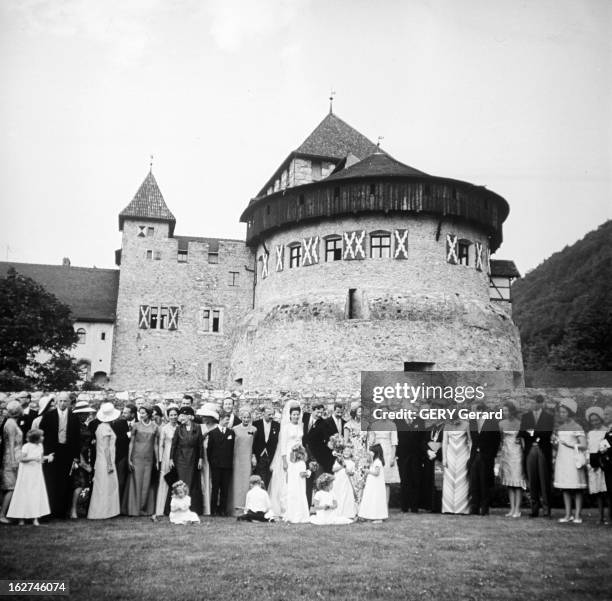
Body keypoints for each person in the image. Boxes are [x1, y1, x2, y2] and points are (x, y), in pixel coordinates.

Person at [39, 391, 81, 519]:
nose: (63, 403)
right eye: (60, 401)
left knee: (66, 481)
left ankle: (62, 511)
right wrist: (45, 453)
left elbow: (77, 438)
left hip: (67, 453)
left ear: (69, 402)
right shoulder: (48, 416)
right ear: (57, 402)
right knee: (51, 480)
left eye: (65, 401)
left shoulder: (74, 418)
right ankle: (50, 510)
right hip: (52, 452)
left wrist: (76, 456)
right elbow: (42, 435)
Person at [6, 428, 53, 525]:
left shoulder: (40, 446)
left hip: (36, 473)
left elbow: (40, 458)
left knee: (35, 493)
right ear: (36, 438)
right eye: (41, 436)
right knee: (24, 493)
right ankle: (21, 518)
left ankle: (35, 517)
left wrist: (47, 457)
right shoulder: (26, 446)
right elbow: (21, 459)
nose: (43, 437)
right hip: (26, 473)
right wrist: (33, 458)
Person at [518, 394, 554, 518]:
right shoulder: (526, 417)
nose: (532, 404)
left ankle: (546, 509)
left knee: (544, 480)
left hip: (542, 450)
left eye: (534, 402)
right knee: (532, 479)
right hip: (530, 450)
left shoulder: (548, 417)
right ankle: (534, 509)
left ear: (540, 403)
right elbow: (522, 432)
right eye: (531, 402)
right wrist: (533, 434)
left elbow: (547, 433)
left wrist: (532, 432)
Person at [553, 398, 587, 523]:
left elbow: (584, 445)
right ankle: (568, 514)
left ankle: (577, 515)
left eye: (564, 412)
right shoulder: (561, 428)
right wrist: (555, 443)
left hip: (573, 459)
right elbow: (559, 445)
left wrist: (570, 445)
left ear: (570, 413)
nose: (561, 414)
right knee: (565, 488)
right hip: (562, 459)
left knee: (576, 488)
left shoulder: (577, 427)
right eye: (560, 412)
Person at [123, 405, 159, 517]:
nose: (141, 415)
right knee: (136, 481)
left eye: (143, 413)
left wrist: (157, 460)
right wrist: (129, 458)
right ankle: (134, 509)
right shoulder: (136, 425)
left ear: (148, 414)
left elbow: (156, 445)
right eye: (140, 413)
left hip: (149, 458)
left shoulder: (155, 426)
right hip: (136, 457)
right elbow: (131, 443)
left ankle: (144, 508)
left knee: (146, 482)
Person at [268, 402, 303, 516]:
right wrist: (284, 461)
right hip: (288, 456)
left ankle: (295, 508)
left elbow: (300, 442)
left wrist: (302, 454)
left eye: (298, 414)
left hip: (298, 456)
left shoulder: (300, 426)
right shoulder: (285, 428)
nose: (296, 416)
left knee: (295, 481)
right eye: (294, 414)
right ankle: (284, 509)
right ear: (290, 415)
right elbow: (283, 445)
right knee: (286, 482)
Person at [88, 402, 120, 520]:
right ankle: (102, 512)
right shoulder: (105, 428)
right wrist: (110, 464)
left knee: (104, 486)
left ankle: (105, 511)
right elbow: (106, 447)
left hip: (102, 460)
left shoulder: (101, 427)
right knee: (105, 487)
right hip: (105, 460)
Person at [468, 403, 501, 516]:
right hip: (474, 456)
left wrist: (491, 455)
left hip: (486, 457)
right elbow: (472, 439)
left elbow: (497, 441)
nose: (474, 413)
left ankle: (484, 507)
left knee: (485, 482)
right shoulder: (472, 422)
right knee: (474, 482)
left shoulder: (492, 423)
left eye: (475, 410)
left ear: (481, 410)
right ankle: (474, 507)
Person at [170, 406, 204, 515]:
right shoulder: (178, 428)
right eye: (181, 415)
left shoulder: (197, 427)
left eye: (183, 415)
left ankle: (191, 508)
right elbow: (174, 444)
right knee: (182, 482)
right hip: (181, 459)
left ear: (190, 416)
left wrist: (200, 458)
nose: (181, 418)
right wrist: (171, 459)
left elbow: (200, 444)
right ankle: (179, 507)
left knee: (192, 483)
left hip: (193, 458)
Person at [499, 401, 526, 518]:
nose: (504, 413)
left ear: (511, 411)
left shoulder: (520, 424)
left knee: (517, 483)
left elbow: (523, 440)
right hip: (506, 454)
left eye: (506, 410)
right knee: (509, 484)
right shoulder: (501, 424)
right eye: (503, 410)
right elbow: (501, 439)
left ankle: (517, 509)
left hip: (517, 454)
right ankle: (511, 509)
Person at [70, 401, 96, 519]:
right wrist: (82, 462)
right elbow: (75, 444)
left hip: (87, 454)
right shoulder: (74, 426)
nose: (87, 415)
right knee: (78, 484)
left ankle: (80, 509)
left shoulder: (85, 425)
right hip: (78, 457)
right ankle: (73, 510)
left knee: (84, 482)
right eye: (84, 413)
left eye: (87, 413)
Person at [395, 412, 426, 513]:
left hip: (416, 456)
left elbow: (422, 439)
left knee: (415, 481)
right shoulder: (398, 421)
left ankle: (414, 506)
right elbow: (396, 439)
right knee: (404, 481)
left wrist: (422, 455)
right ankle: (404, 506)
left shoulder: (420, 421)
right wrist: (396, 454)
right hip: (402, 456)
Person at [153, 405, 179, 520]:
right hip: (166, 455)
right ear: (168, 417)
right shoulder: (164, 428)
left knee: (176, 481)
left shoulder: (180, 427)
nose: (173, 417)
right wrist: (160, 459)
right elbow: (161, 444)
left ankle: (175, 508)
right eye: (171, 415)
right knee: (165, 480)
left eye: (175, 415)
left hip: (178, 456)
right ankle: (161, 508)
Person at [229, 409, 256, 516]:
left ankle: (246, 507)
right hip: (237, 459)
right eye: (244, 417)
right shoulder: (234, 429)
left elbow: (255, 445)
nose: (246, 419)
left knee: (246, 483)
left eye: (248, 417)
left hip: (247, 459)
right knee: (236, 483)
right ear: (241, 417)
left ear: (250, 418)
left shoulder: (254, 429)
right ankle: (235, 507)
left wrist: (253, 456)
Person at [207, 412, 235, 516]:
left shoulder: (231, 433)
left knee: (225, 488)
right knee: (215, 488)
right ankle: (213, 509)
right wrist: (212, 463)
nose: (228, 422)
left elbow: (232, 449)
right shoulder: (213, 433)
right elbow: (209, 450)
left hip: (227, 465)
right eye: (226, 419)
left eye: (229, 420)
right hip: (216, 465)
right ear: (221, 419)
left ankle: (223, 510)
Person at [442, 416, 471, 515]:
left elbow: (470, 441)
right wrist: (444, 458)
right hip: (450, 455)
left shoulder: (466, 425)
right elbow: (445, 442)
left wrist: (470, 456)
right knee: (449, 481)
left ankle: (462, 509)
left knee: (462, 481)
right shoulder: (446, 426)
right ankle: (448, 508)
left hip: (463, 455)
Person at [0, 401, 24, 523]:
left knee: (11, 487)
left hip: (14, 456)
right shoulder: (10, 424)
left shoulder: (12, 423)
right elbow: (10, 443)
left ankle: (7, 513)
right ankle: (2, 514)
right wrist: (14, 461)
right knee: (11, 487)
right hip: (10, 458)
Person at [367, 418, 399, 506]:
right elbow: (371, 442)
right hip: (376, 454)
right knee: (376, 479)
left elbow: (394, 443)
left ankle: (385, 505)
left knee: (386, 482)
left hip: (387, 455)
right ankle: (376, 504)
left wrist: (392, 457)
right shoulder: (374, 425)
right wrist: (370, 455)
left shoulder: (392, 425)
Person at [343, 402, 369, 503]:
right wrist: (349, 455)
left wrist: (367, 454)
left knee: (362, 479)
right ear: (354, 412)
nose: (361, 414)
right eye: (359, 412)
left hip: (363, 455)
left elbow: (368, 441)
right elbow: (345, 442)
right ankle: (353, 504)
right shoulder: (348, 425)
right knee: (353, 478)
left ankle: (361, 505)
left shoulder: (366, 425)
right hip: (352, 454)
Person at [585, 407, 607, 523]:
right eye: (592, 420)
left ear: (601, 419)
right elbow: (589, 449)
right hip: (594, 465)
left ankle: (609, 516)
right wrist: (589, 462)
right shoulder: (590, 433)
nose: (594, 422)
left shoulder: (606, 431)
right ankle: (600, 516)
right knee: (598, 492)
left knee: (607, 491)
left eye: (596, 420)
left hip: (604, 464)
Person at [421, 403, 444, 512]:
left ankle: (438, 506)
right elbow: (423, 442)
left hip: (440, 459)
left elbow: (446, 443)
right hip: (430, 458)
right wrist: (428, 451)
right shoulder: (430, 429)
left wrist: (437, 453)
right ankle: (429, 505)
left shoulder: (445, 428)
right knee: (429, 482)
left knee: (439, 483)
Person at [198, 403, 219, 515]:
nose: (204, 418)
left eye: (206, 416)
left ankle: (212, 506)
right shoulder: (200, 427)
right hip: (203, 456)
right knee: (203, 479)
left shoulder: (217, 427)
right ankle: (204, 506)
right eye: (203, 416)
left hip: (214, 456)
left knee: (212, 480)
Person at [252, 405, 280, 489]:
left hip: (271, 456)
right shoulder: (256, 424)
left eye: (272, 414)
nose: (271, 416)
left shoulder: (277, 425)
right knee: (259, 478)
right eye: (269, 414)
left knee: (269, 478)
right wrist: (253, 455)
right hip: (259, 455)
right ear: (263, 413)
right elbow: (253, 441)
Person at [358, 444, 388, 522]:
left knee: (376, 498)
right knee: (371, 497)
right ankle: (370, 515)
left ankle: (378, 517)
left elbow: (377, 473)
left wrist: (368, 471)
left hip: (376, 484)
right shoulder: (374, 461)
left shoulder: (377, 462)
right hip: (372, 483)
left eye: (371, 451)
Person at [284, 443, 311, 523]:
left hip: (292, 485)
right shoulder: (301, 463)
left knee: (292, 499)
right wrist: (309, 472)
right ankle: (298, 516)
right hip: (298, 486)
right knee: (299, 499)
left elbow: (287, 475)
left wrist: (287, 484)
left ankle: (291, 515)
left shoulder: (291, 464)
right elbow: (302, 474)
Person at [331, 445, 356, 519]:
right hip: (338, 481)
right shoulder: (339, 460)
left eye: (348, 451)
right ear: (342, 452)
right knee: (338, 495)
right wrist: (342, 466)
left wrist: (349, 472)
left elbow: (353, 473)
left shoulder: (352, 462)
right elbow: (333, 470)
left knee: (346, 496)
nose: (346, 452)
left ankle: (347, 513)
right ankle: (337, 512)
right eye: (345, 451)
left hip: (346, 482)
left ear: (351, 452)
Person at [598, 404, 612, 524]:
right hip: (608, 466)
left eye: (607, 414)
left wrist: (607, 449)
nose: (605, 416)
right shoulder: (608, 430)